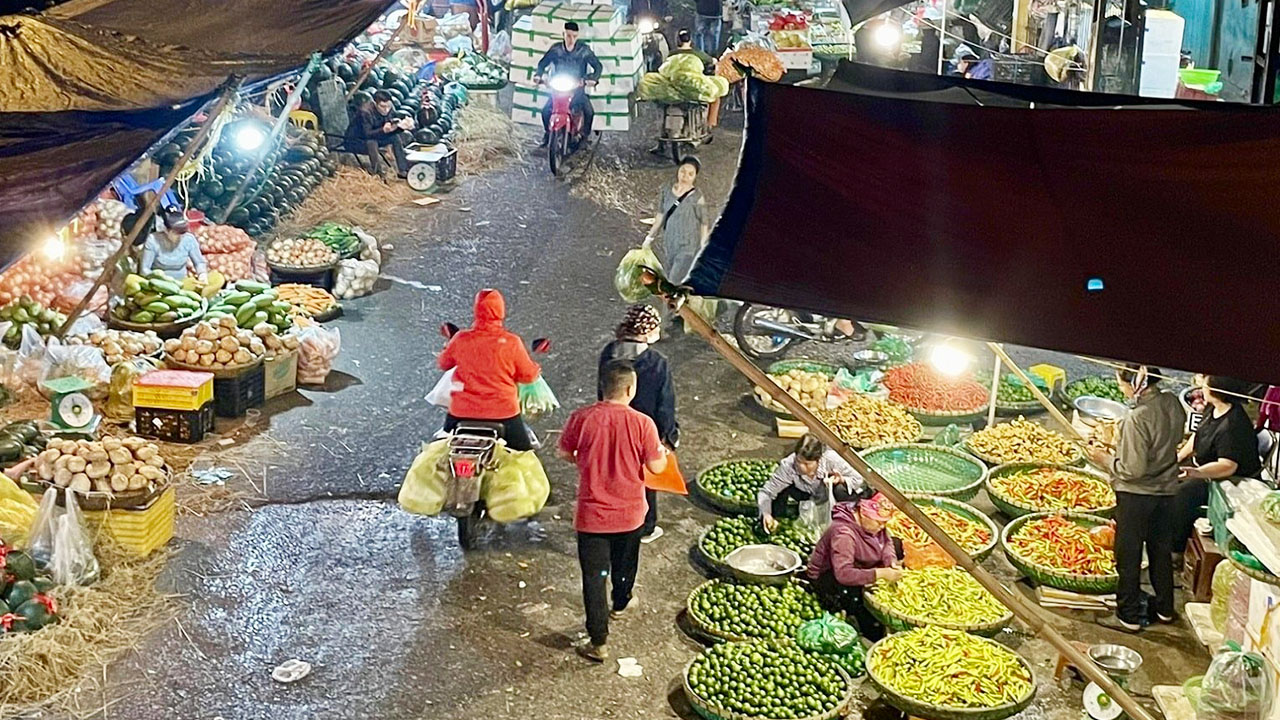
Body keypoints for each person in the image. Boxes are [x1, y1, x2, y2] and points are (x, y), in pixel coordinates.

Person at [559, 361, 668, 662]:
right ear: (631, 389)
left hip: (592, 516)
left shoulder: (581, 418)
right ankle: (621, 604)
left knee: (594, 578)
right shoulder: (643, 424)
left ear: (602, 387)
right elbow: (657, 467)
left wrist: (589, 460)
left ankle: (598, 642)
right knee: (625, 564)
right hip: (631, 514)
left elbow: (565, 452)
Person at [1086, 364, 1186, 632]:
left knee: (1128, 554)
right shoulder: (1172, 402)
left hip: (1137, 496)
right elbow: (1173, 439)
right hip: (1166, 491)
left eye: (1120, 380)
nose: (1119, 385)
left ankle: (1127, 615)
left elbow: (1133, 470)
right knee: (1159, 549)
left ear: (1133, 384)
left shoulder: (1137, 417)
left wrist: (1104, 458)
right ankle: (1165, 608)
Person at [598, 305, 678, 543]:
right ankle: (646, 526)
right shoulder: (656, 362)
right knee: (644, 480)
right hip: (645, 430)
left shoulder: (609, 352)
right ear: (648, 330)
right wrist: (669, 435)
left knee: (613, 473)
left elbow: (601, 389)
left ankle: (613, 518)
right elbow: (665, 404)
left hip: (611, 425)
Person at [437, 289, 542, 451]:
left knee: (440, 452)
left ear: (476, 310)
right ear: (501, 311)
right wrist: (535, 368)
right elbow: (528, 376)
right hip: (503, 414)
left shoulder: (460, 339)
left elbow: (443, 364)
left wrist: (448, 349)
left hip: (461, 413)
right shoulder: (511, 342)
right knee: (524, 455)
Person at [1174, 375, 1263, 549]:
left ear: (1217, 391)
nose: (1202, 388)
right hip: (1202, 465)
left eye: (1206, 385)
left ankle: (1175, 546)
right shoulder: (1212, 407)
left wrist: (1196, 473)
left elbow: (1227, 465)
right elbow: (1198, 436)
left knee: (1180, 494)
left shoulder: (1233, 424)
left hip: (1225, 479)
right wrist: (1178, 457)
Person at [806, 493, 903, 641]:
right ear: (863, 514)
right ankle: (859, 624)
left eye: (885, 522)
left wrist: (891, 561)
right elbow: (844, 574)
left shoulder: (872, 525)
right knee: (864, 612)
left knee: (896, 545)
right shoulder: (844, 535)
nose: (882, 526)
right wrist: (880, 573)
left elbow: (886, 540)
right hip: (829, 577)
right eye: (879, 522)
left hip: (855, 562)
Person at [758, 434, 865, 532]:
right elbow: (767, 492)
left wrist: (841, 479)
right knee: (781, 489)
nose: (801, 466)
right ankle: (778, 521)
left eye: (807, 464)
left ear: (818, 459)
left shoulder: (832, 460)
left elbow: (859, 478)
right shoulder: (789, 465)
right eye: (799, 461)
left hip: (830, 495)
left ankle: (846, 522)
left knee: (840, 489)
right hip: (805, 494)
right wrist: (766, 513)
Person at [534, 22, 603, 147]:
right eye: (568, 36)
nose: (571, 40)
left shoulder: (584, 50)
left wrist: (591, 79)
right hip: (558, 90)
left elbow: (597, 66)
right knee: (545, 111)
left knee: (589, 112)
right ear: (563, 34)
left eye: (574, 36)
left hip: (577, 88)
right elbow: (542, 63)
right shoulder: (556, 50)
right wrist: (538, 75)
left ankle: (584, 136)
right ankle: (548, 134)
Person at [646, 156, 709, 284]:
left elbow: (704, 222)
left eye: (690, 174)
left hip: (688, 247)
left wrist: (703, 245)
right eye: (683, 171)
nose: (685, 176)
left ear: (695, 177)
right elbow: (660, 216)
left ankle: (669, 304)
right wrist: (649, 238)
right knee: (670, 276)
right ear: (678, 171)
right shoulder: (666, 191)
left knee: (672, 281)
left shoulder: (697, 197)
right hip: (670, 243)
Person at [357, 90, 411, 179]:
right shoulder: (365, 112)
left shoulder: (389, 109)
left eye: (388, 106)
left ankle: (403, 170)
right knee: (372, 142)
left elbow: (391, 127)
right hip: (358, 141)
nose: (386, 110)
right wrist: (383, 130)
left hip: (377, 136)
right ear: (375, 103)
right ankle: (378, 172)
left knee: (395, 137)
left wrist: (401, 127)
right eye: (382, 107)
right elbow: (366, 134)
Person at [140, 211, 207, 281]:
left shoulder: (189, 239)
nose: (180, 237)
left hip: (182, 281)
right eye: (176, 234)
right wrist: (160, 279)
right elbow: (144, 269)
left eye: (182, 233)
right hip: (158, 282)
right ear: (166, 230)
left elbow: (199, 262)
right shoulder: (153, 240)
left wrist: (202, 273)